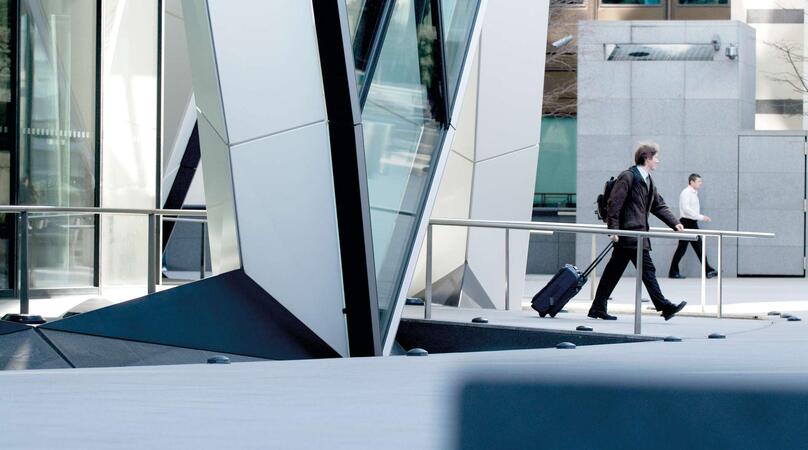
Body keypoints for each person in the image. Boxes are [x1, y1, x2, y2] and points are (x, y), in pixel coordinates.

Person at [588, 142, 688, 321]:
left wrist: (675, 223)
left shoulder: (648, 180)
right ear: (647, 158)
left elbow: (658, 204)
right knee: (647, 269)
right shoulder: (628, 176)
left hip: (635, 234)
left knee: (614, 271)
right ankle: (664, 306)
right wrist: (613, 230)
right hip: (630, 234)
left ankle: (598, 307)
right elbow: (614, 203)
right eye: (656, 157)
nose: (658, 161)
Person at [668, 173, 717, 279]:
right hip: (687, 222)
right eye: (699, 181)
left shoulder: (694, 193)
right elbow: (686, 209)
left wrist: (698, 218)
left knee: (697, 247)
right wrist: (700, 217)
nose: (701, 183)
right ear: (692, 182)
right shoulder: (686, 193)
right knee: (684, 248)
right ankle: (673, 272)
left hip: (691, 222)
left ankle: (707, 270)